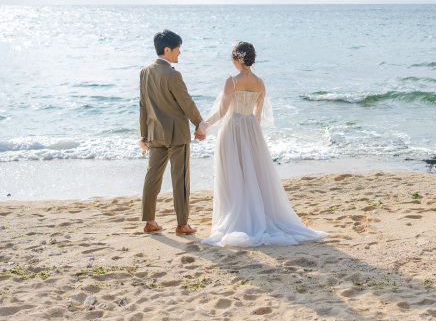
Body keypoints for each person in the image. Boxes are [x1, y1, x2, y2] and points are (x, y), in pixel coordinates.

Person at [198, 42, 327, 247]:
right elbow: (258, 115)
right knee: (254, 173)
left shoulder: (231, 81)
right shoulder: (260, 83)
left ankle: (238, 216)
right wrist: (250, 129)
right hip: (251, 130)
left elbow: (222, 112)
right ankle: (256, 213)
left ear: (236, 59)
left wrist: (202, 126)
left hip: (233, 129)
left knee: (234, 172)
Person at [138, 30, 206, 235]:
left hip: (154, 133)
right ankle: (182, 224)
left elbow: (142, 105)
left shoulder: (145, 71)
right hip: (177, 135)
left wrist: (143, 135)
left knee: (152, 177)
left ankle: (150, 222)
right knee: (180, 179)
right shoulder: (173, 74)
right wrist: (199, 125)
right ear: (167, 50)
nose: (179, 53)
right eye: (177, 49)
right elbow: (186, 102)